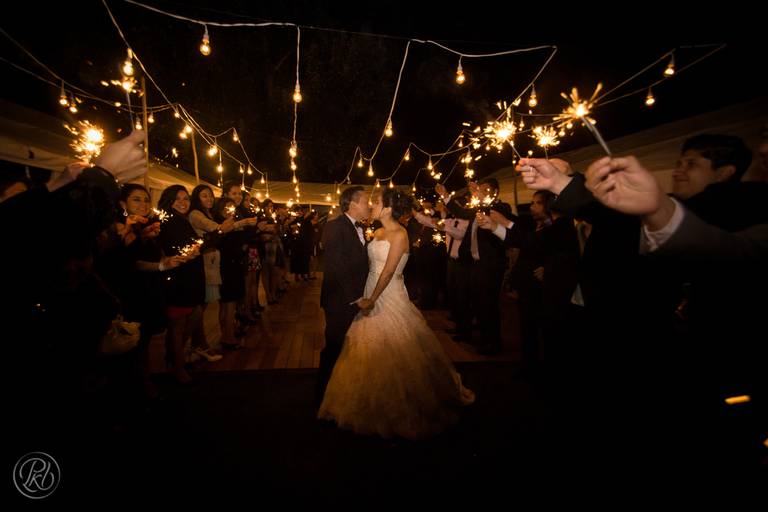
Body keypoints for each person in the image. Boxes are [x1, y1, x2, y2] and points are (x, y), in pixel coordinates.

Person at [318, 188, 474, 440]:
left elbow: (388, 272)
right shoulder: (376, 232)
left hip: (385, 294)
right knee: (357, 348)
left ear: (388, 208)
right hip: (363, 293)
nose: (372, 205)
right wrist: (363, 294)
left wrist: (371, 298)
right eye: (369, 201)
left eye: (376, 202)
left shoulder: (400, 234)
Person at [316, 186, 371, 407]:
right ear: (353, 203)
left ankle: (345, 390)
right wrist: (356, 297)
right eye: (366, 200)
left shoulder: (363, 227)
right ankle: (323, 394)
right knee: (334, 346)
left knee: (353, 346)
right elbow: (336, 266)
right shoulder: (334, 227)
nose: (369, 204)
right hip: (340, 300)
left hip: (357, 297)